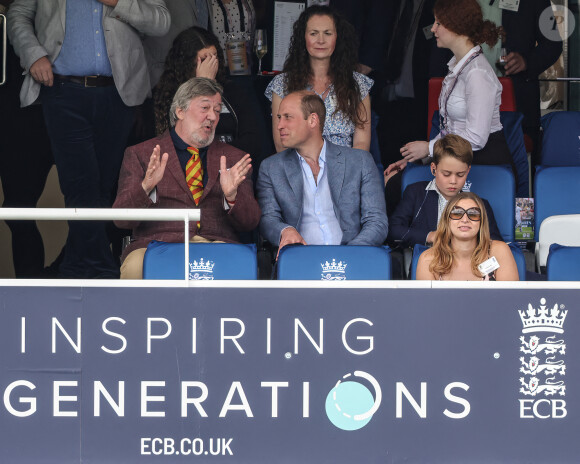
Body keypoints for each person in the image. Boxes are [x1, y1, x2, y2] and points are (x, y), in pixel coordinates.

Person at [8, 0, 170, 279]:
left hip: (117, 94)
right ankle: (99, 271)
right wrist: (33, 55)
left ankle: (70, 267)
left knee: (104, 188)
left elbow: (161, 21)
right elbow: (18, 14)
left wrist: (119, 3)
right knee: (81, 186)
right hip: (62, 91)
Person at [113, 78, 261, 279]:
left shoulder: (234, 158)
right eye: (205, 108)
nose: (212, 117)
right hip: (158, 243)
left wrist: (232, 196)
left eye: (217, 110)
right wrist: (145, 187)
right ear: (180, 111)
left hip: (216, 243)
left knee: (243, 264)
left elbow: (250, 222)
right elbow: (120, 219)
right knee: (135, 267)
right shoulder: (141, 153)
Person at [385, 0, 512, 176]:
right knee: (394, 178)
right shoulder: (457, 66)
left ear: (456, 26)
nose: (432, 29)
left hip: (483, 166)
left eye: (439, 23)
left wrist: (429, 149)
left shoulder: (477, 73)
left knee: (397, 185)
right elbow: (449, 129)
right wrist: (420, 158)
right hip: (455, 161)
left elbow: (476, 139)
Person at [257, 91, 388, 255]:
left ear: (312, 120)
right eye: (278, 117)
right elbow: (267, 219)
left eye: (288, 117)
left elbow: (377, 221)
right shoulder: (271, 168)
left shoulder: (360, 161)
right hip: (301, 261)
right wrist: (285, 230)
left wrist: (352, 253)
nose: (279, 125)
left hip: (353, 260)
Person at [265, 5, 372, 152]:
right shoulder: (282, 84)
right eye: (314, 33)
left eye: (328, 33)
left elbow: (362, 144)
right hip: (298, 170)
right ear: (303, 37)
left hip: (346, 170)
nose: (321, 40)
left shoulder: (358, 84)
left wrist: (344, 172)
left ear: (337, 38)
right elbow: (281, 145)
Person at [153, 26, 261, 158]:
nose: (212, 64)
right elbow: (182, 139)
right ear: (187, 63)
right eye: (204, 60)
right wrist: (203, 85)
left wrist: (220, 157)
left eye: (215, 57)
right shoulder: (168, 95)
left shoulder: (234, 91)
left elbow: (253, 139)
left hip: (231, 164)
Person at [388, 134, 502, 248]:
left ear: (468, 171)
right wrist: (430, 236)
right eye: (446, 174)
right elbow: (394, 230)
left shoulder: (480, 205)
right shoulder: (416, 193)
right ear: (434, 169)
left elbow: (496, 244)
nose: (453, 181)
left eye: (460, 175)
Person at [416, 192, 518, 281]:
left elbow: (510, 300)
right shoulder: (428, 259)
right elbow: (427, 303)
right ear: (447, 220)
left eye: (473, 214)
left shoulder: (499, 251)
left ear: (481, 221)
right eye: (457, 213)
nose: (465, 220)